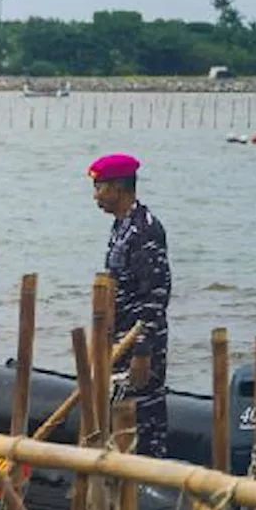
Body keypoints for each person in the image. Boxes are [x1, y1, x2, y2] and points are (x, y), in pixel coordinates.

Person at [88, 153, 172, 459]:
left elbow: (155, 295)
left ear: (118, 188)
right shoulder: (120, 227)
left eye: (100, 188)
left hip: (139, 343)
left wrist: (141, 351)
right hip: (118, 339)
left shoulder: (145, 229)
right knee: (117, 416)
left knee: (143, 419)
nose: (96, 196)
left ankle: (147, 489)